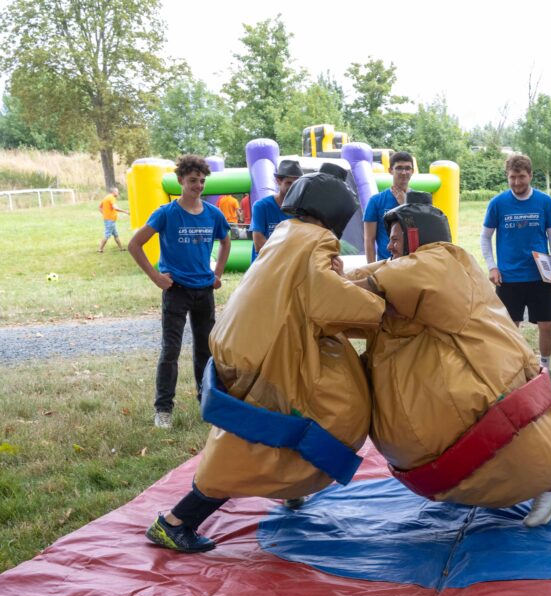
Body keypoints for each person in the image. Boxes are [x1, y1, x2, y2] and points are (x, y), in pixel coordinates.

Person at [145, 164, 386, 553]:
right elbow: (328, 300)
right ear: (336, 212)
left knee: (284, 422)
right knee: (288, 427)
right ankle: (176, 520)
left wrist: (337, 277)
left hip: (243, 345)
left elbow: (303, 287)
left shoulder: (287, 234)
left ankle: (290, 492)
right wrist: (380, 307)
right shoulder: (316, 241)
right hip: (265, 355)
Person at [349, 192, 551, 527]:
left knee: (514, 442)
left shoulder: (440, 261)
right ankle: (520, 484)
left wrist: (326, 282)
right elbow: (371, 278)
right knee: (496, 449)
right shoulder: (413, 266)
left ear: (416, 236)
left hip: (485, 373)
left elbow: (369, 287)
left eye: (396, 239)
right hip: (464, 382)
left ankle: (549, 486)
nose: (390, 247)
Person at [128, 155, 231, 429]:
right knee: (170, 351)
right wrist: (156, 277)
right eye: (192, 181)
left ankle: (207, 403)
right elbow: (135, 244)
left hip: (204, 291)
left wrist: (217, 274)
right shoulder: (166, 213)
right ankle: (163, 409)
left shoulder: (213, 214)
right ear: (180, 181)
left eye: (202, 181)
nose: (198, 186)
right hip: (176, 290)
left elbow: (225, 241)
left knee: (205, 352)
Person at [481, 154, 551, 376]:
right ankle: (512, 371)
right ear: (507, 177)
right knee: (510, 328)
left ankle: (545, 369)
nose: (517, 182)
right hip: (509, 278)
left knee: (546, 325)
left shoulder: (545, 202)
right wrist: (492, 266)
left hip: (539, 276)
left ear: (531, 176)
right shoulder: (497, 203)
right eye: (512, 177)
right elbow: (485, 237)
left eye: (521, 177)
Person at [363, 151, 414, 262]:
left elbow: (420, 231)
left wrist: (404, 205)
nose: (404, 172)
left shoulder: (419, 199)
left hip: (412, 263)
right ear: (390, 170)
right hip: (385, 264)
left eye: (407, 168)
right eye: (399, 168)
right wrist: (370, 269)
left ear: (412, 171)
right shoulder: (376, 201)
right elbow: (369, 240)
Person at [251, 159, 303, 260]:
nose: (293, 187)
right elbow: (259, 244)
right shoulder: (262, 206)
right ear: (278, 181)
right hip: (264, 267)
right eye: (289, 183)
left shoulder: (303, 209)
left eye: (296, 184)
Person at [97, 187, 129, 252]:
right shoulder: (112, 198)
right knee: (107, 235)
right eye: (117, 192)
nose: (118, 193)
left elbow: (100, 208)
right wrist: (125, 211)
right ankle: (100, 249)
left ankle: (121, 248)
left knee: (115, 234)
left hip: (109, 219)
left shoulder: (106, 197)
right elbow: (115, 208)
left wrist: (105, 214)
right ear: (113, 192)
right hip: (110, 220)